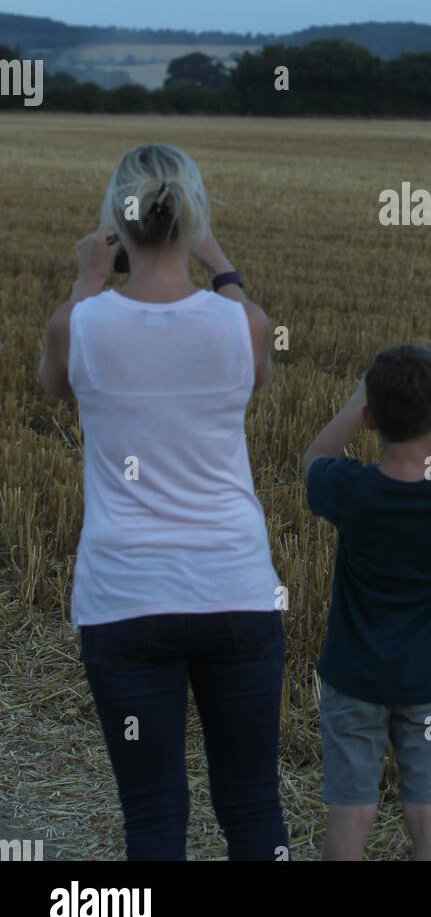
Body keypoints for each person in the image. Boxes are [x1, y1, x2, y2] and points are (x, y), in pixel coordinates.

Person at [38, 142, 289, 862]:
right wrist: (221, 264)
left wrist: (87, 281)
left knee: (152, 814)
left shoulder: (77, 323)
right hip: (236, 592)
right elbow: (254, 364)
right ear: (193, 219)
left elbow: (57, 384)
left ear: (113, 227)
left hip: (125, 602)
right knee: (251, 802)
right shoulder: (244, 324)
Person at [302, 343, 431, 861]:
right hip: (430, 687)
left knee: (351, 814)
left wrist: (355, 400)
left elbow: (312, 462)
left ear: (370, 417)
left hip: (354, 682)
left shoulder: (351, 489)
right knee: (429, 813)